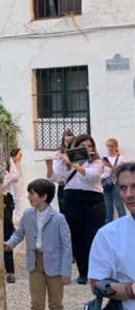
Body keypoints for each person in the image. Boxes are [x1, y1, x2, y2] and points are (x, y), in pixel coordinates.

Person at [4, 178, 73, 310]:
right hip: (35, 262)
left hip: (55, 265)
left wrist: (66, 271)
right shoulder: (28, 214)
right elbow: (20, 233)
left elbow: (67, 246)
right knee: (36, 303)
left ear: (43, 197)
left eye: (31, 194)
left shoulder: (59, 219)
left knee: (56, 303)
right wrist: (10, 244)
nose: (28, 197)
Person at [50, 134, 105, 284]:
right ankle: (83, 272)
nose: (87, 149)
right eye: (83, 146)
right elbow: (56, 176)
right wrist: (54, 163)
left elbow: (91, 177)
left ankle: (95, 271)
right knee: (76, 236)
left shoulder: (97, 162)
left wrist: (73, 162)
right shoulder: (67, 162)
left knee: (93, 237)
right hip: (72, 199)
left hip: (93, 200)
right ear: (76, 147)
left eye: (90, 146)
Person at [88, 161, 135, 308]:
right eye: (123, 188)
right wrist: (131, 290)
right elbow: (97, 284)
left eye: (134, 187)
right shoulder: (107, 234)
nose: (129, 194)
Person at [2, 148, 22, 283]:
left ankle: (10, 270)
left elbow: (15, 176)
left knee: (6, 234)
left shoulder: (6, 159)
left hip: (3, 199)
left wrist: (4, 178)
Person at [46, 130, 75, 212]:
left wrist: (67, 158)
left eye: (71, 142)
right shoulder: (58, 154)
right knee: (63, 212)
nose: (68, 144)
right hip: (63, 188)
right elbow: (53, 176)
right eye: (66, 141)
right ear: (63, 141)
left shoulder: (77, 153)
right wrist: (49, 166)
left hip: (75, 187)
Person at [101, 138, 127, 222]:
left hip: (115, 182)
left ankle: (123, 223)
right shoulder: (104, 158)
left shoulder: (120, 158)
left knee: (119, 205)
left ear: (116, 147)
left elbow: (121, 171)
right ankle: (108, 225)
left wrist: (110, 166)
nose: (110, 148)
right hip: (105, 182)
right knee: (107, 206)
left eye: (112, 146)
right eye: (108, 146)